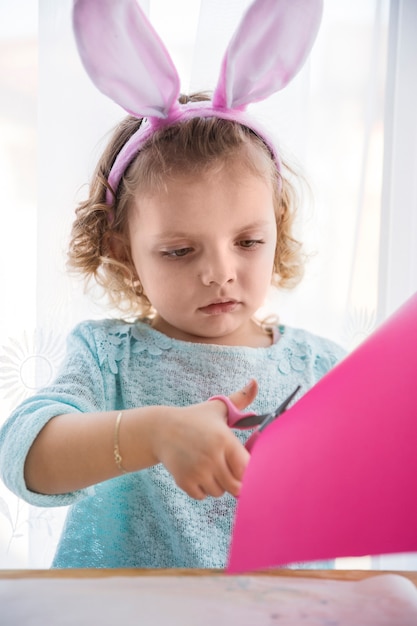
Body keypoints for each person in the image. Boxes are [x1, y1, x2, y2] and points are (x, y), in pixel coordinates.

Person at [0, 0, 344, 568]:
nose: (220, 272)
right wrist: (156, 433)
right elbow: (20, 455)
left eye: (249, 242)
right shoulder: (110, 357)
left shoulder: (322, 369)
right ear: (122, 250)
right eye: (180, 251)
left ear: (278, 230)